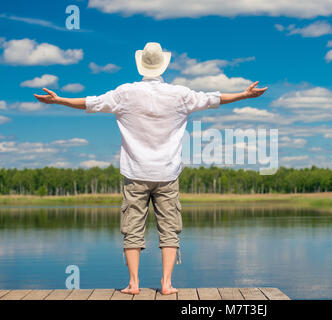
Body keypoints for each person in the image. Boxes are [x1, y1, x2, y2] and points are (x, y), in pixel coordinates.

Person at [34, 42, 267, 295]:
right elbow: (214, 99)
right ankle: (166, 285)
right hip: (167, 174)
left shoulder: (124, 93)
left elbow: (90, 103)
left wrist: (59, 100)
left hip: (135, 173)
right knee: (170, 228)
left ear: (141, 65)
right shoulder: (180, 94)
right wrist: (244, 95)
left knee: (132, 228)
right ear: (163, 65)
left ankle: (133, 284)